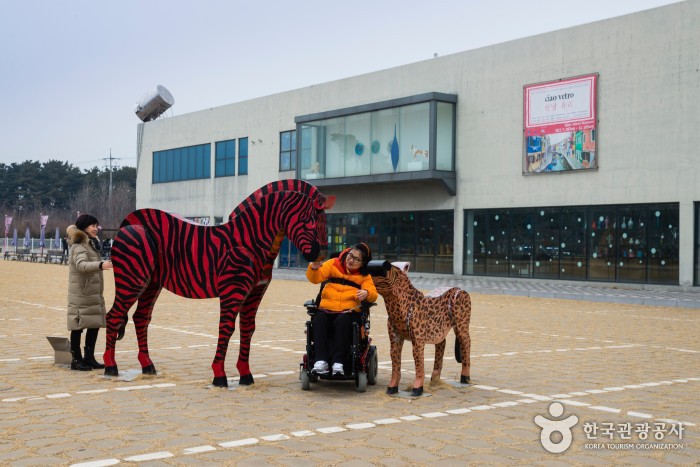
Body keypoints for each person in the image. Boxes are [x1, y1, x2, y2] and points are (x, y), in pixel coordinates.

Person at [306, 243, 378, 376]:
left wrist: (366, 293)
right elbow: (315, 278)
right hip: (326, 309)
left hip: (348, 312)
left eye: (356, 259)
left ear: (363, 263)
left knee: (343, 320)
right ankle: (321, 361)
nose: (351, 260)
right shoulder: (333, 263)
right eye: (350, 256)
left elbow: (373, 293)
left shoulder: (364, 276)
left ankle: (338, 362)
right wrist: (314, 268)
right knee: (318, 319)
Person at [66, 214, 113, 371]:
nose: (96, 228)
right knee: (78, 326)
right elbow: (81, 265)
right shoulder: (79, 244)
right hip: (82, 292)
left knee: (94, 324)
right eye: (93, 225)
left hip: (92, 292)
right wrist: (100, 265)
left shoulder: (91, 243)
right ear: (84, 227)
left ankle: (89, 358)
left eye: (97, 225)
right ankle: (76, 359)